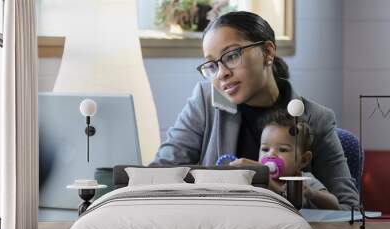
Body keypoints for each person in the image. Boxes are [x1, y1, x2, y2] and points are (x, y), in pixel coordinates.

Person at [151, 11, 359, 210]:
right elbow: (159, 175)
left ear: (267, 52)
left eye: (231, 56)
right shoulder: (205, 101)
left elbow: (349, 210)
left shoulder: (316, 118)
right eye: (212, 66)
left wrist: (276, 189)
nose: (222, 73)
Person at [258, 110, 340, 210]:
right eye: (265, 149)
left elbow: (335, 205)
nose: (270, 155)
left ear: (304, 160)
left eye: (283, 150)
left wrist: (312, 194)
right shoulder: (257, 180)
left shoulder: (303, 182)